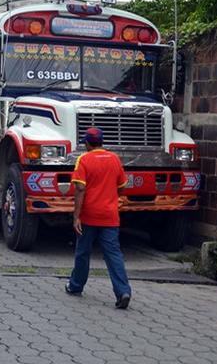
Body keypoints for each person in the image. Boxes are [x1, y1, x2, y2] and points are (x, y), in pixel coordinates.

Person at [65, 127, 132, 309]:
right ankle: (123, 291)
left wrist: (76, 216)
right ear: (101, 142)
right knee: (113, 254)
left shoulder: (84, 159)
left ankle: (76, 285)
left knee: (83, 252)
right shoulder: (114, 159)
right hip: (110, 215)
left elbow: (80, 189)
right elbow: (122, 186)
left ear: (87, 143)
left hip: (89, 215)